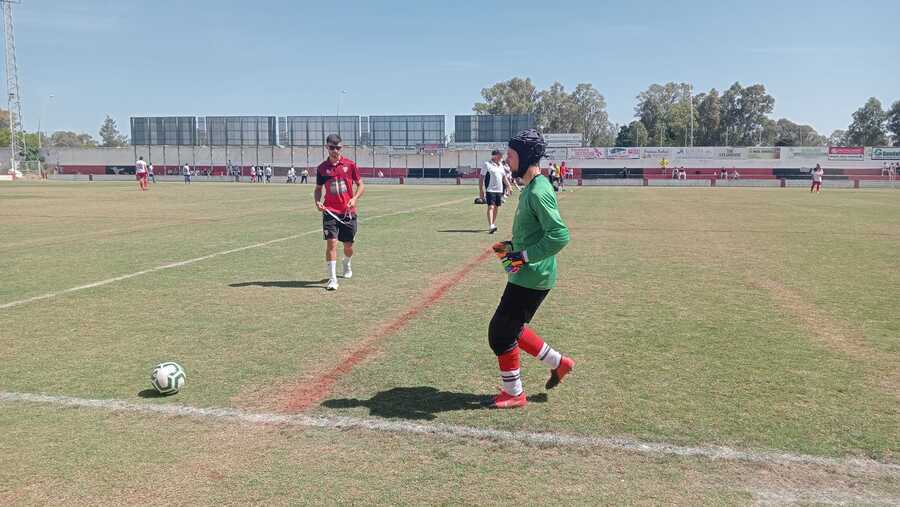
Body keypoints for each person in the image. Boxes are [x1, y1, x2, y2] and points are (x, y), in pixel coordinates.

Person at [485, 128, 575, 409]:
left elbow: (559, 235)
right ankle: (559, 363)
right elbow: (534, 232)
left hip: (533, 276)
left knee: (500, 334)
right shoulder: (530, 187)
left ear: (524, 157)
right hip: (526, 272)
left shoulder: (538, 191)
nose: (507, 160)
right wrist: (511, 247)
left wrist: (523, 256)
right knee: (512, 328)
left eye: (511, 156)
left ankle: (515, 393)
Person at [315, 134, 365, 291]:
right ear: (327, 147)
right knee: (331, 243)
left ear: (341, 148)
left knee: (348, 246)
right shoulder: (322, 168)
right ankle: (332, 279)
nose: (335, 150)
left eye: (337, 147)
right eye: (332, 147)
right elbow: (318, 189)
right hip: (330, 211)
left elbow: (361, 185)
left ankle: (346, 262)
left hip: (348, 212)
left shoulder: (350, 165)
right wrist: (317, 201)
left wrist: (354, 198)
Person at [480, 149, 511, 234]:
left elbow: (504, 177)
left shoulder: (501, 165)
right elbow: (481, 177)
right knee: (491, 207)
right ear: (494, 156)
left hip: (499, 190)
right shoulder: (487, 164)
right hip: (490, 190)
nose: (501, 157)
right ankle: (491, 225)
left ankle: (493, 224)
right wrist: (481, 190)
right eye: (500, 155)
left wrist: (509, 186)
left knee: (496, 207)